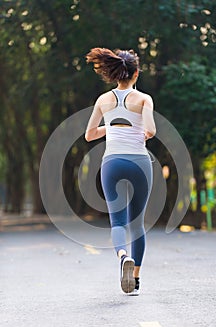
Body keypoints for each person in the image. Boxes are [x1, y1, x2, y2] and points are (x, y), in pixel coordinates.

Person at [85, 47, 156, 295]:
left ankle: (122, 255)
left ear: (115, 74)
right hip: (139, 162)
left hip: (112, 163)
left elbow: (89, 135)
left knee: (117, 222)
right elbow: (151, 131)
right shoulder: (144, 99)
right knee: (137, 224)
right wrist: (136, 130)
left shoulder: (103, 100)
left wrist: (111, 128)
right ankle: (135, 277)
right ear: (135, 73)